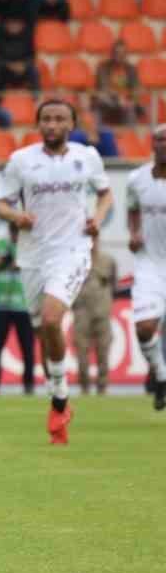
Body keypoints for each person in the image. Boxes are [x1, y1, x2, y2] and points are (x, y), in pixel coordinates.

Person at [0, 98, 114, 443]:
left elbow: (105, 195)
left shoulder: (86, 157)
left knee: (50, 319)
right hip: (32, 255)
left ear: (71, 124)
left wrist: (98, 220)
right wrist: (17, 217)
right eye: (46, 118)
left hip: (72, 251)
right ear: (38, 123)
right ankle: (59, 401)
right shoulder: (21, 161)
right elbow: (0, 204)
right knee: (43, 334)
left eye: (60, 119)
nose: (52, 124)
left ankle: (59, 401)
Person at [125, 124, 166, 410]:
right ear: (152, 145)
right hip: (150, 264)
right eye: (160, 140)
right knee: (144, 327)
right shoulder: (136, 179)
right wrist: (134, 233)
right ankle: (161, 377)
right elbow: (132, 209)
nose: (164, 144)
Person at [0, 228, 36, 395]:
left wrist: (21, 264)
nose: (15, 235)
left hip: (24, 306)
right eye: (13, 231)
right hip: (0, 306)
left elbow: (39, 269)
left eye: (18, 232)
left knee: (27, 348)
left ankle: (29, 387)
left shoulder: (29, 247)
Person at [70, 236, 115, 394]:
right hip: (82, 311)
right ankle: (84, 386)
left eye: (94, 239)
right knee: (82, 350)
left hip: (102, 311)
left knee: (104, 349)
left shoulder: (108, 260)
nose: (92, 243)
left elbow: (113, 284)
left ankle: (102, 386)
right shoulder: (76, 261)